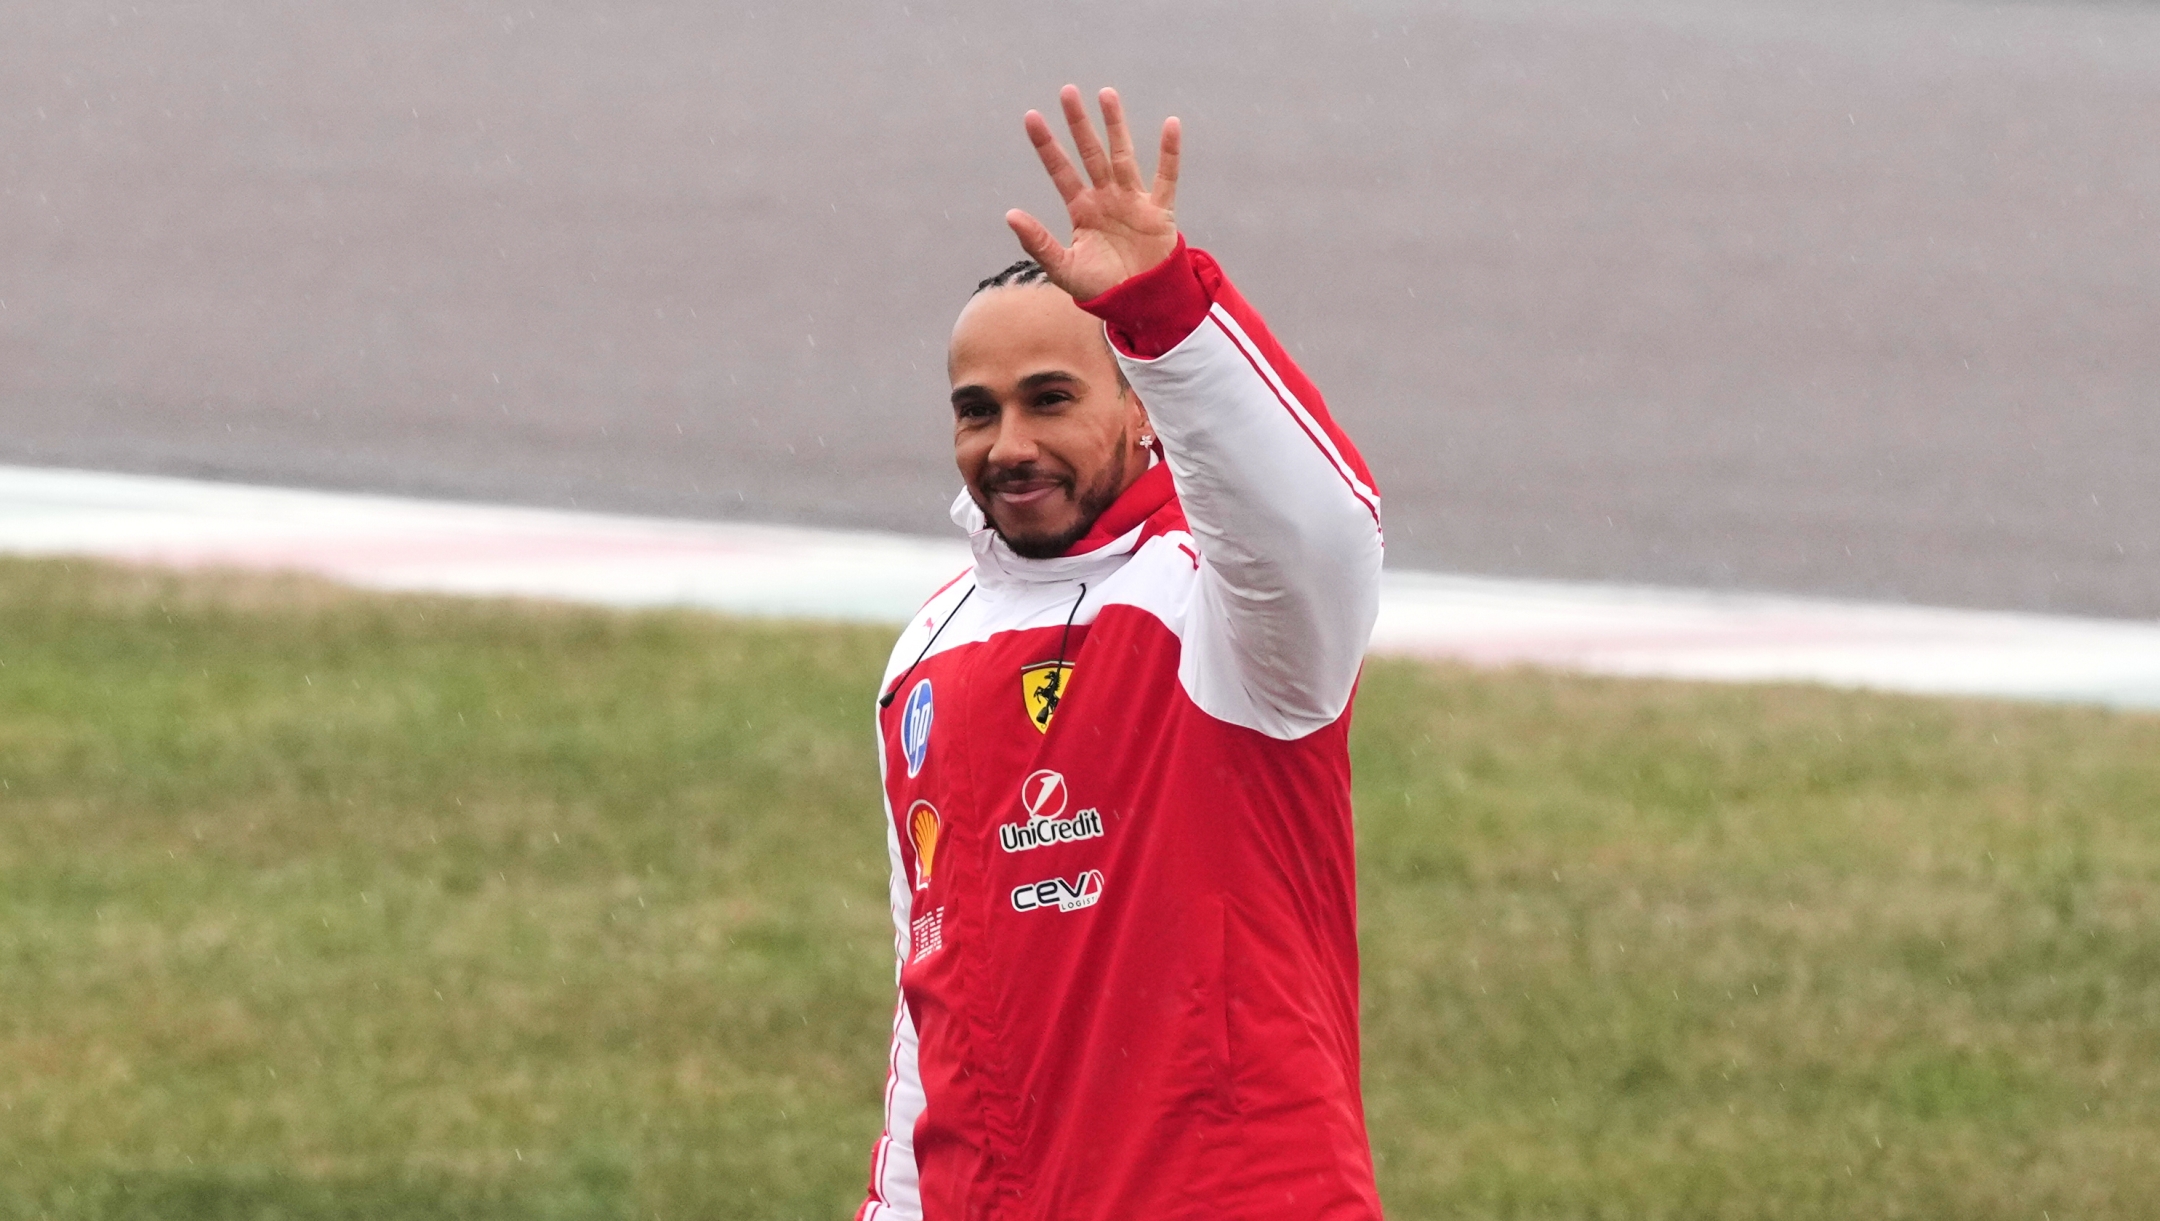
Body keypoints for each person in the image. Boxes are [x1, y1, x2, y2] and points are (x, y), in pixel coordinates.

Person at [858, 85, 1385, 1221]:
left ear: (1144, 406)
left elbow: (1322, 522)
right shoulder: (926, 658)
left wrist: (1167, 313)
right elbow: (928, 1013)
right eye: (976, 411)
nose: (1009, 446)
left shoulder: (1231, 611)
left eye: (1051, 400)